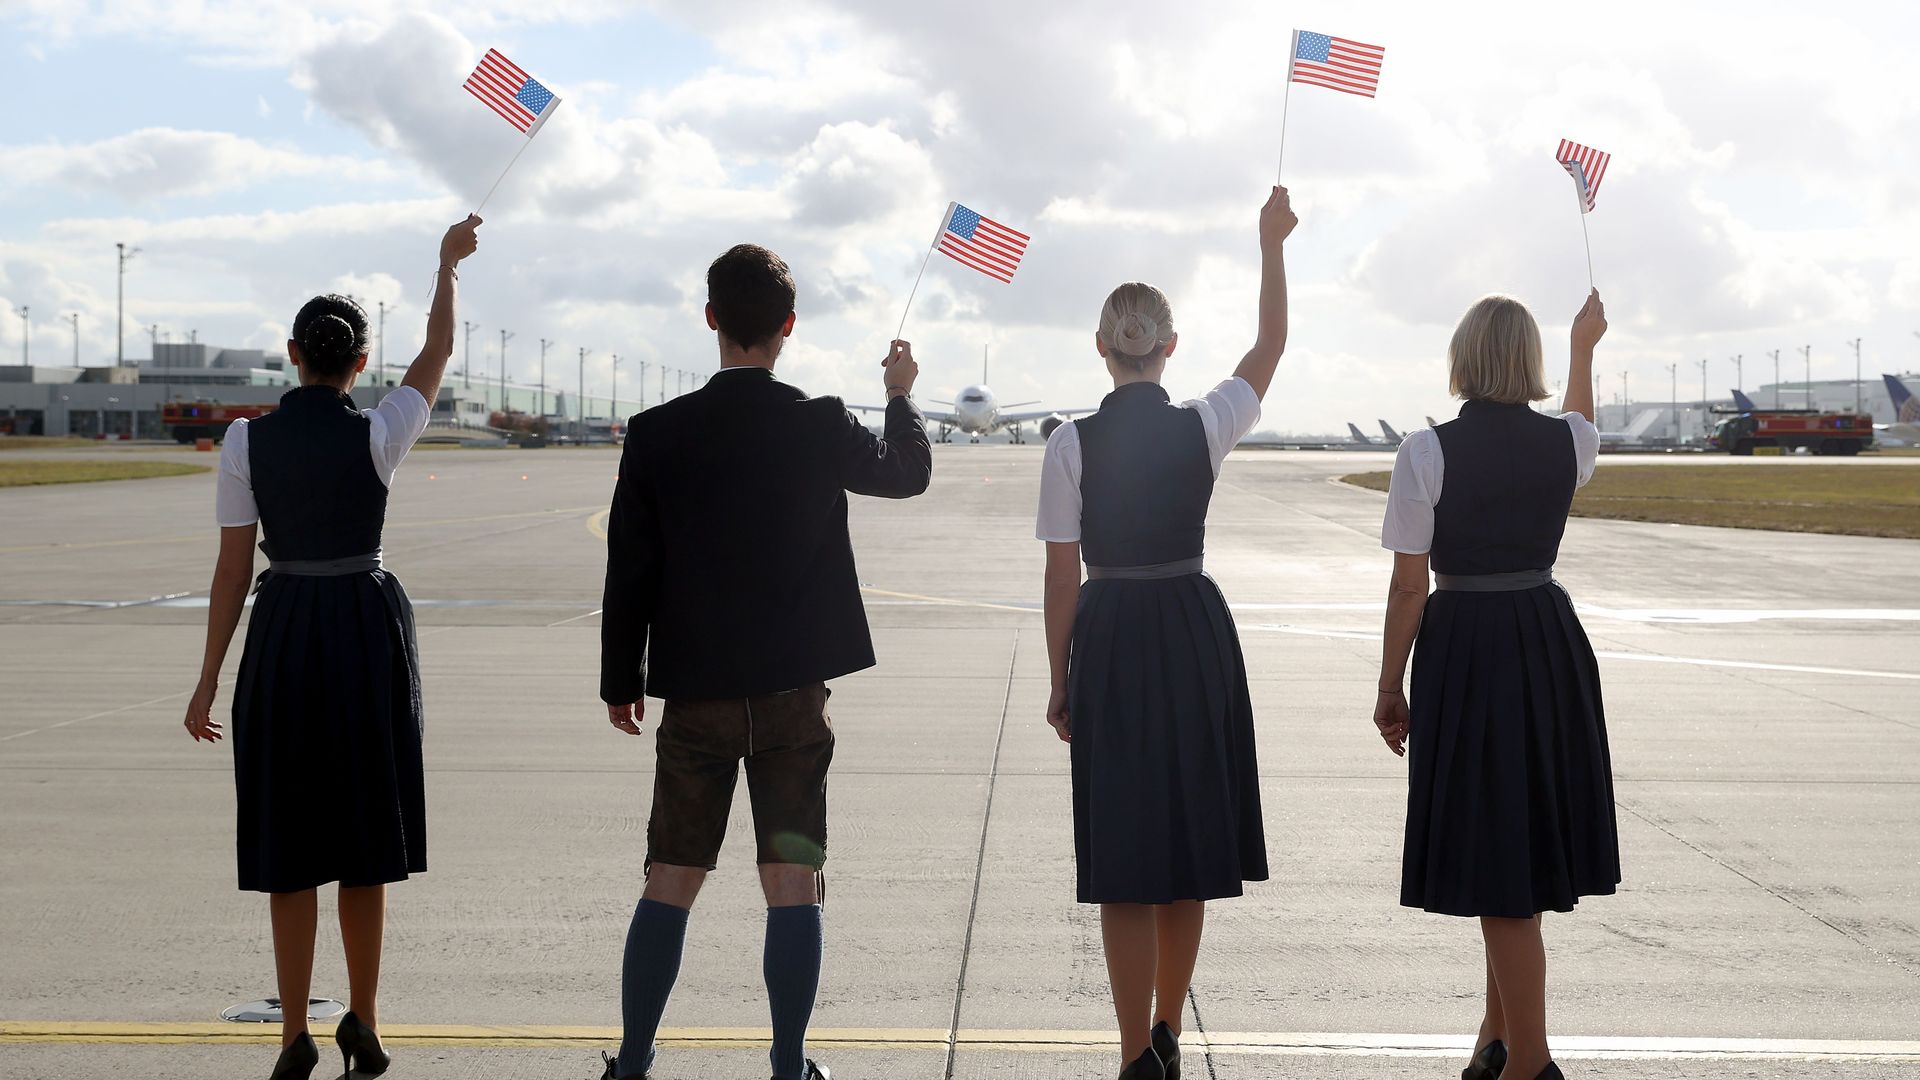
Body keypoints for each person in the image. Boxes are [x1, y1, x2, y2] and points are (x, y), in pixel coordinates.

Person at [598, 243, 932, 1080]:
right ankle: (788, 1064)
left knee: (670, 877)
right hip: (790, 697)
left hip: (696, 697)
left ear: (711, 318)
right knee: (793, 881)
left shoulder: (656, 433)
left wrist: (619, 681)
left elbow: (629, 568)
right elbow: (906, 475)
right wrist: (900, 395)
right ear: (788, 327)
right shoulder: (818, 420)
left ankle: (634, 1061)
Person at [183, 215, 483, 1080]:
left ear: (291, 354)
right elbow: (436, 352)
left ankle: (291, 1037)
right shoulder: (381, 431)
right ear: (358, 363)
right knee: (363, 836)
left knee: (289, 841)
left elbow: (233, 569)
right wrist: (445, 268)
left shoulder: (247, 439)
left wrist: (207, 676)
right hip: (363, 626)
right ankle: (365, 1018)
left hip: (283, 630)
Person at [1035, 186, 1296, 1080]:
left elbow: (1060, 571)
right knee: (1187, 842)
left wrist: (1060, 678)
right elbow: (1268, 350)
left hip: (1108, 629)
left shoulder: (1069, 442)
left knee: (1122, 853)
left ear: (1104, 348)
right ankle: (1169, 1028)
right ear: (1169, 348)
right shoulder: (1205, 423)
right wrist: (1271, 246)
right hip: (1191, 628)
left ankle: (1131, 1047)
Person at [1372, 290, 1620, 1080]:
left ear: (1463, 358)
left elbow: (1411, 587)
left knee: (1498, 861)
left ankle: (1531, 1062)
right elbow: (1580, 426)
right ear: (1530, 361)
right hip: (1547, 640)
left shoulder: (1426, 451)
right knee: (1515, 851)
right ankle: (1497, 1034)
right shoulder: (1568, 443)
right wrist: (1584, 350)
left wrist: (1389, 682)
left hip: (1469, 645)